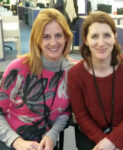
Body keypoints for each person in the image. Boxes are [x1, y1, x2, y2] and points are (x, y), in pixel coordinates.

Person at [68, 11, 123, 150]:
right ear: (85, 40)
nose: (101, 43)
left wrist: (113, 141)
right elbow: (81, 116)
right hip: (91, 134)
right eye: (94, 36)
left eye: (107, 35)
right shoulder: (75, 74)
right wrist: (108, 144)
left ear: (115, 37)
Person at [0, 8, 73, 150]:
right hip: (11, 141)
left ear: (66, 37)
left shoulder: (72, 71)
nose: (53, 43)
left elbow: (66, 112)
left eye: (58, 35)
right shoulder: (18, 69)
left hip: (45, 144)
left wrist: (52, 135)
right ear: (37, 39)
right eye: (46, 37)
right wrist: (17, 141)